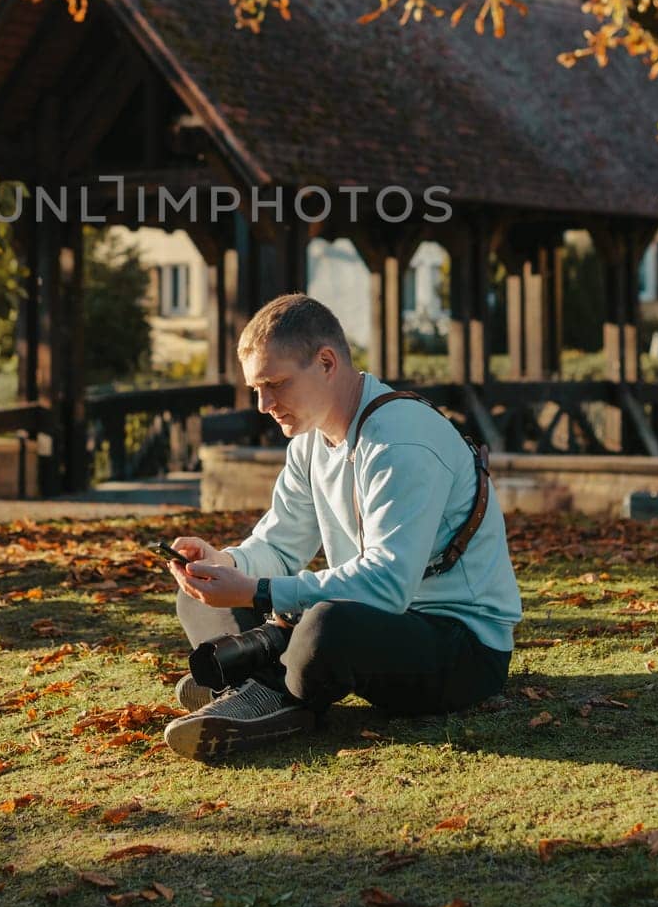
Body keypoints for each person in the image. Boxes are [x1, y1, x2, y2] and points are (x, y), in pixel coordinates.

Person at [162, 293, 522, 761]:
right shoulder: (309, 442)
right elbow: (279, 543)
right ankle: (267, 681)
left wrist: (259, 592)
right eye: (257, 388)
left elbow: (388, 585)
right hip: (380, 620)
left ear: (327, 362)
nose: (264, 403)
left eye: (275, 383)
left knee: (327, 627)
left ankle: (261, 689)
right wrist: (225, 564)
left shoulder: (400, 442)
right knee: (198, 600)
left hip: (459, 645)